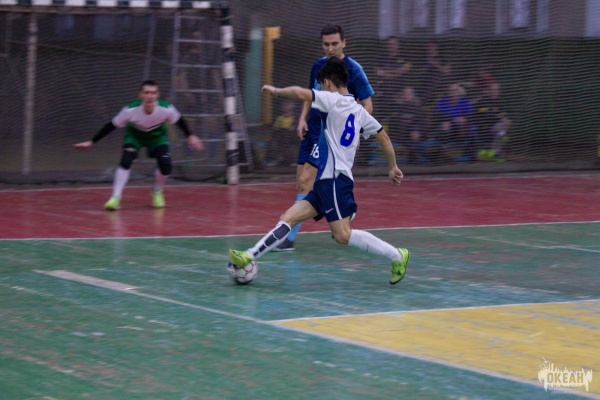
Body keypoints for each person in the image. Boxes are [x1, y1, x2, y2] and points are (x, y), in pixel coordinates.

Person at [229, 57, 410, 285]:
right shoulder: (359, 110)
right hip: (325, 182)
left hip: (335, 181)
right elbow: (384, 137)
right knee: (288, 218)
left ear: (327, 82)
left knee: (342, 235)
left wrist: (275, 91)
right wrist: (392, 167)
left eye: (320, 84)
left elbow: (299, 93)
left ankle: (397, 255)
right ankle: (249, 255)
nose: (320, 88)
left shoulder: (332, 100)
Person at [275, 23, 375, 252]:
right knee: (302, 183)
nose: (330, 48)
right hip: (312, 129)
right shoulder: (318, 65)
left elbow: (367, 104)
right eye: (326, 44)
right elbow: (310, 95)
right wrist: (302, 118)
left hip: (330, 135)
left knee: (307, 179)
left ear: (343, 43)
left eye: (334, 44)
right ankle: (341, 212)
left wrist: (356, 132)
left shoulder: (354, 70)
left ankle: (288, 238)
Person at [73, 80, 204, 210]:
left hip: (157, 138)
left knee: (166, 166)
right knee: (126, 160)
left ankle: (157, 191)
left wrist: (190, 136)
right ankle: (115, 198)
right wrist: (91, 141)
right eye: (146, 93)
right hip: (135, 137)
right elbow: (111, 126)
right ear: (140, 95)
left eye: (153, 93)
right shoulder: (130, 110)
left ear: (158, 95)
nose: (150, 96)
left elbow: (179, 120)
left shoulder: (166, 108)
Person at [473, 81, 511, 160]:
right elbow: (484, 116)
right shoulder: (483, 101)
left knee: (504, 127)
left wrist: (504, 119)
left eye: (497, 90)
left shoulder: (500, 102)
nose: (495, 91)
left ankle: (495, 152)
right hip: (483, 128)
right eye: (493, 90)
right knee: (501, 132)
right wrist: (497, 117)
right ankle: (493, 151)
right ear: (489, 91)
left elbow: (502, 115)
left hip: (495, 126)